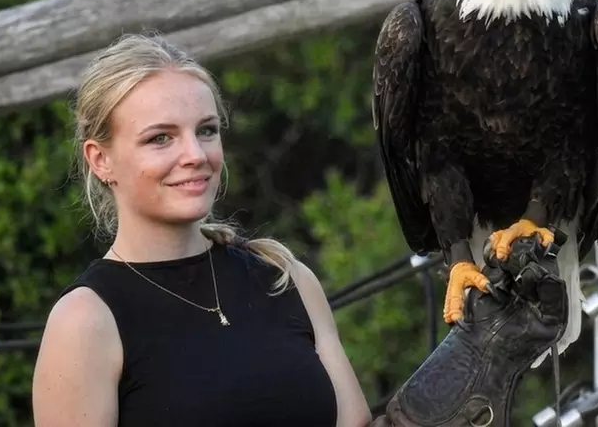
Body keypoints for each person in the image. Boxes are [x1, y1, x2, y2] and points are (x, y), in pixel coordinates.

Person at [31, 33, 373, 426]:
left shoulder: (286, 279)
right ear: (101, 159)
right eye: (161, 138)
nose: (195, 155)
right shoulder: (85, 321)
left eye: (206, 130)